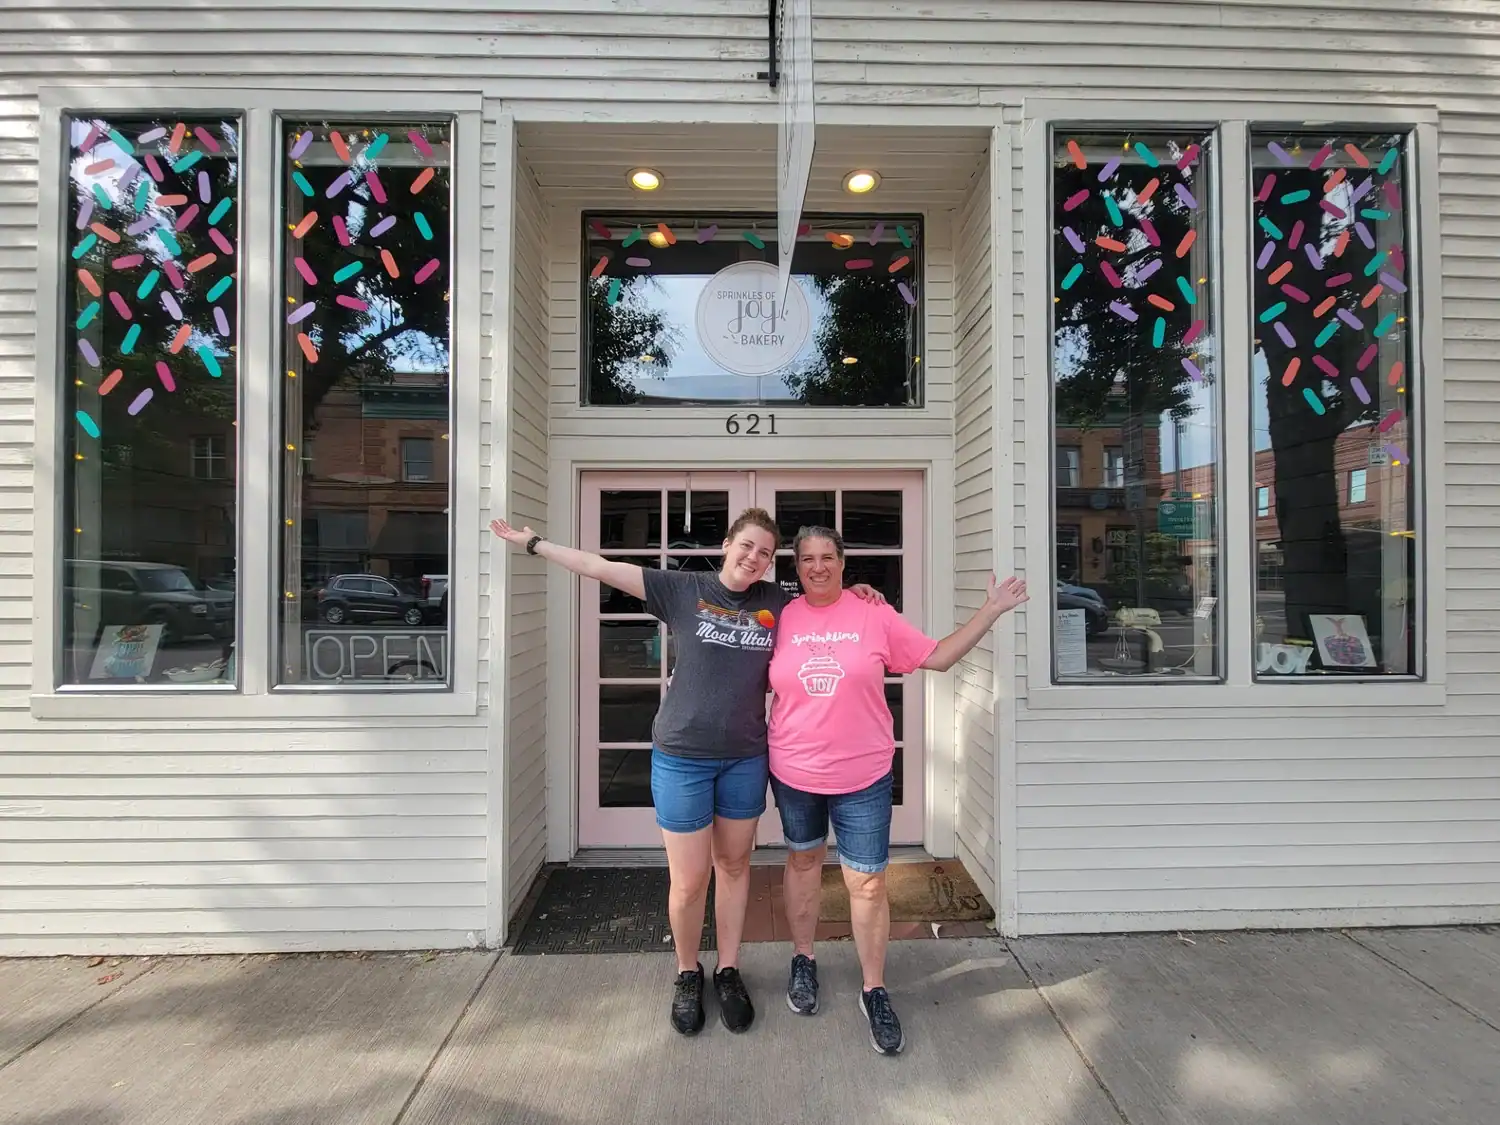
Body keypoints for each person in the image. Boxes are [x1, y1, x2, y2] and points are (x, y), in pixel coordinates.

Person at [488, 510, 886, 1037]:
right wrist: (535, 543)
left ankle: (727, 968)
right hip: (681, 757)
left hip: (746, 757)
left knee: (736, 867)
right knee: (690, 879)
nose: (753, 558)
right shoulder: (682, 589)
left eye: (765, 553)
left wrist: (859, 592)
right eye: (746, 546)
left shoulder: (776, 604)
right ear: (727, 545)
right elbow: (601, 566)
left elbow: (824, 611)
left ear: (771, 563)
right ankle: (685, 972)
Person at [767, 525, 1028, 1056]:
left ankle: (874, 987)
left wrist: (991, 611)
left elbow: (937, 656)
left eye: (826, 558)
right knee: (802, 865)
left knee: (866, 885)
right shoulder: (780, 616)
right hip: (794, 773)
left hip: (863, 775)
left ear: (844, 563)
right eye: (806, 559)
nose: (816, 567)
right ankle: (803, 959)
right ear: (795, 567)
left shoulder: (873, 614)